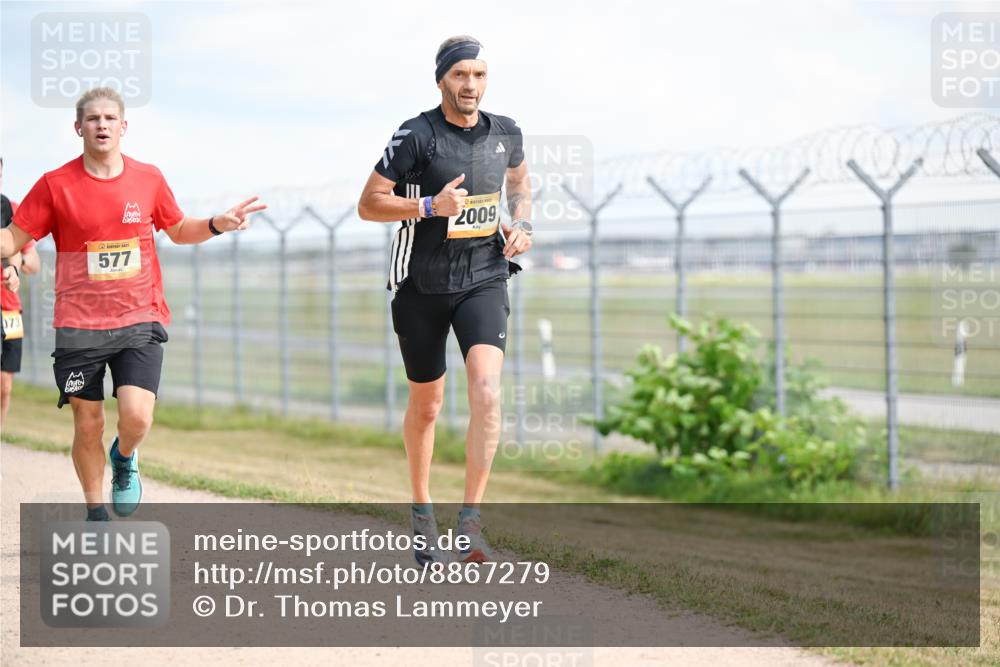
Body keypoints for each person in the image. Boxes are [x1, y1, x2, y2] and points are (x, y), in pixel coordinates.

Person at [0, 87, 266, 521]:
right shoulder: (55, 184)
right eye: (92, 119)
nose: (101, 125)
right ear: (78, 128)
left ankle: (124, 457)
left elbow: (179, 229)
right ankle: (96, 513)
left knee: (137, 418)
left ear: (124, 126)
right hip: (78, 326)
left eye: (109, 118)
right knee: (88, 423)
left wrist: (218, 223)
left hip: (138, 317)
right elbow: (12, 239)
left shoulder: (148, 179)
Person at [357, 36, 533, 564]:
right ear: (441, 81)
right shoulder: (417, 135)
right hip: (421, 285)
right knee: (428, 405)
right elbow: (369, 204)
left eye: (478, 75)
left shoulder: (506, 132)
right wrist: (430, 206)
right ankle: (421, 511)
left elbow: (520, 183)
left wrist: (522, 223)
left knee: (487, 391)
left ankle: (471, 524)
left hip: (484, 276)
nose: (470, 85)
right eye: (460, 75)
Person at [1, 157, 42, 426]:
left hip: (10, 309)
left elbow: (35, 263)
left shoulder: (11, 210)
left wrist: (17, 262)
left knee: (4, 385)